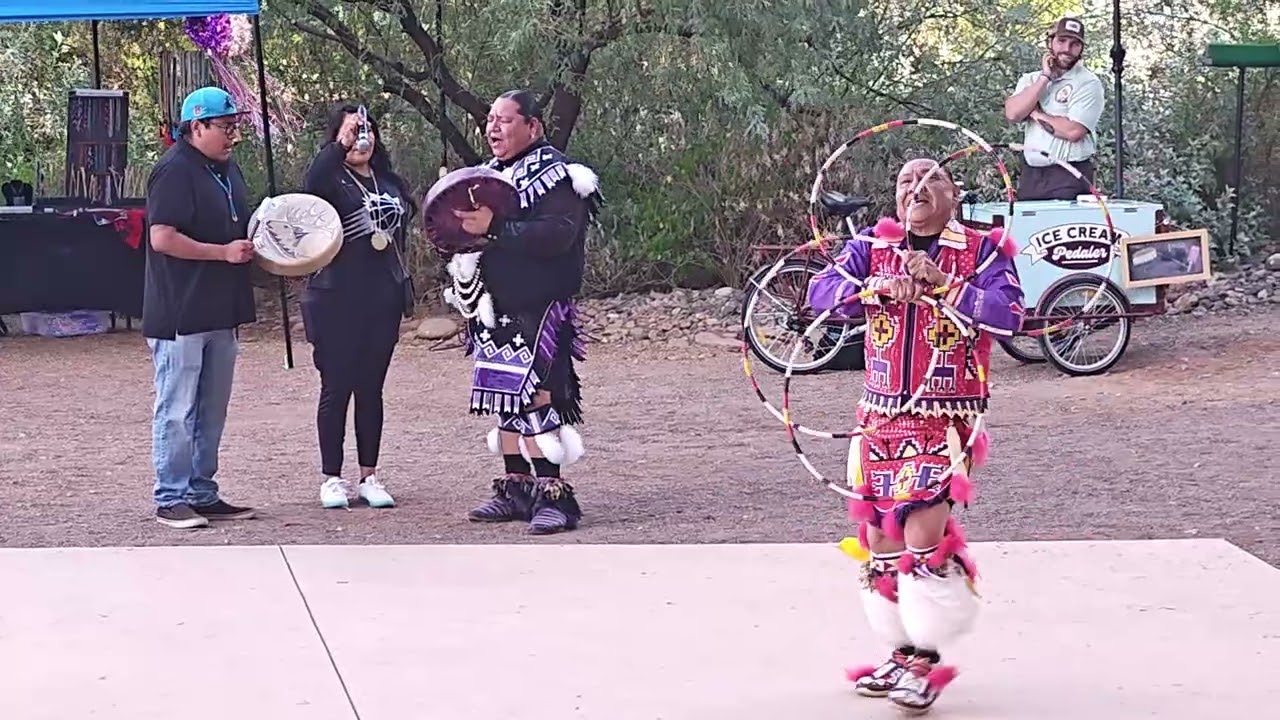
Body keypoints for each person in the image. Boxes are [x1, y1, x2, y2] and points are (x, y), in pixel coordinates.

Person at [806, 159, 1025, 713]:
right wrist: (872, 287)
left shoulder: (981, 252)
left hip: (947, 417)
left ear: (954, 194)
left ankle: (925, 661)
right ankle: (901, 652)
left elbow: (1010, 316)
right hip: (878, 417)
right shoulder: (870, 250)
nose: (917, 188)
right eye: (906, 181)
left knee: (925, 530)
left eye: (932, 179)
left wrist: (946, 284)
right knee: (881, 540)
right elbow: (820, 295)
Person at [441, 89, 602, 535]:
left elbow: (556, 237)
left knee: (537, 396)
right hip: (495, 306)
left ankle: (553, 494)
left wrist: (494, 227)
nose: (493, 127)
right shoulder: (487, 178)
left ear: (533, 126)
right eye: (490, 120)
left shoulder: (561, 177)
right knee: (504, 398)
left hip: (541, 308)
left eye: (504, 120)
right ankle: (515, 488)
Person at [142, 87, 258, 529]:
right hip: (181, 312)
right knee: (176, 407)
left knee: (212, 407)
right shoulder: (174, 171)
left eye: (235, 127)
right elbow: (162, 237)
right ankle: (170, 496)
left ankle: (201, 490)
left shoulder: (227, 171)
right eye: (225, 127)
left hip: (221, 310)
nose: (233, 136)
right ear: (196, 126)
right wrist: (222, 253)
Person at [300, 103, 417, 510]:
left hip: (382, 297)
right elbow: (310, 184)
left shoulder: (389, 182)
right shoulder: (330, 180)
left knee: (371, 387)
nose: (361, 137)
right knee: (337, 386)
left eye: (366, 129)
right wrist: (340, 145)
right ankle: (332, 477)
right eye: (352, 130)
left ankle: (369, 474)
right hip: (335, 296)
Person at [1003, 17, 1105, 200]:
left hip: (1069, 175)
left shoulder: (1088, 82)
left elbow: (1073, 131)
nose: (1067, 49)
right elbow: (1013, 113)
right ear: (1050, 42)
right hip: (1031, 175)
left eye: (1075, 44)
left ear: (1081, 49)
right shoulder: (1031, 79)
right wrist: (1044, 78)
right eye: (1061, 41)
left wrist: (1034, 112)